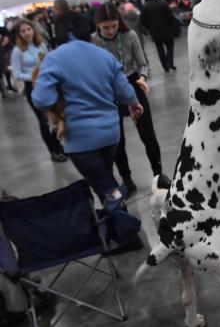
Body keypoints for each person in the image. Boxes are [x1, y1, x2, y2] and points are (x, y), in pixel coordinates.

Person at [31, 12, 143, 204]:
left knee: (106, 188)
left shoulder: (54, 59)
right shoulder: (104, 55)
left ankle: (126, 227)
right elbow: (125, 91)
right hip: (110, 134)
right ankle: (118, 217)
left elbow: (42, 99)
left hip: (80, 140)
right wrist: (135, 104)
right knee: (106, 180)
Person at [93, 2, 170, 197]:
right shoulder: (93, 41)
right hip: (109, 91)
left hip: (133, 85)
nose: (110, 31)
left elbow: (143, 63)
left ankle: (158, 175)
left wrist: (142, 79)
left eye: (114, 26)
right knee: (116, 141)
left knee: (148, 136)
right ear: (98, 26)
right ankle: (127, 180)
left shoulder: (130, 36)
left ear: (119, 22)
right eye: (105, 27)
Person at [11, 19, 66, 162]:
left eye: (28, 29)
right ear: (19, 34)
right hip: (32, 88)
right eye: (23, 31)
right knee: (44, 121)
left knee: (56, 116)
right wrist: (35, 76)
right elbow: (16, 74)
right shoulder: (17, 51)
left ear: (33, 30)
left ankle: (59, 146)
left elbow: (49, 62)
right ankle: (53, 151)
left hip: (48, 85)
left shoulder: (41, 44)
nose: (27, 33)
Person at [140, 0, 177, 72]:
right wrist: (171, 27)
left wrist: (149, 27)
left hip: (155, 32)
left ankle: (165, 66)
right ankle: (170, 62)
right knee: (170, 45)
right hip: (167, 30)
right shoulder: (163, 3)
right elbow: (171, 16)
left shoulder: (146, 5)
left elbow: (142, 20)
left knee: (160, 49)